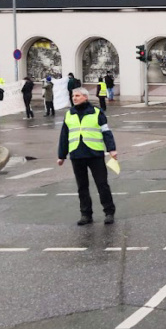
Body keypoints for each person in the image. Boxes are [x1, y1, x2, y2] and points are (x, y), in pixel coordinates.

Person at [57, 87, 117, 226]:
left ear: (85, 97)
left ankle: (109, 212)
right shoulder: (69, 114)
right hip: (77, 155)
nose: (74, 98)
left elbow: (106, 132)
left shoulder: (96, 112)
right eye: (73, 96)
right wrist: (61, 155)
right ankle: (86, 214)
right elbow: (64, 136)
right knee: (82, 187)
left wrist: (112, 149)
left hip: (94, 154)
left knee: (102, 184)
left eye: (77, 95)